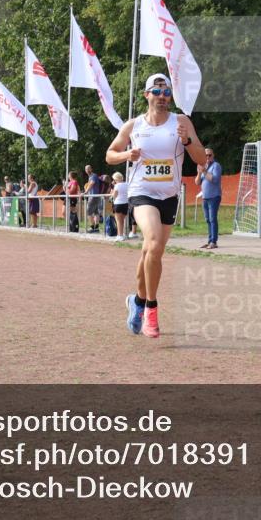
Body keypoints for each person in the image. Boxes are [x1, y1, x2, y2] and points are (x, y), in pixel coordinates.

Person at [106, 73, 207, 338]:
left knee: (153, 253)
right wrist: (127, 154)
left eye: (167, 93)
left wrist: (186, 140)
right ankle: (151, 308)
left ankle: (136, 301)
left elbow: (200, 158)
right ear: (146, 95)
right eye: (157, 92)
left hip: (169, 196)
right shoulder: (134, 126)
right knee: (151, 242)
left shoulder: (182, 122)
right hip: (142, 193)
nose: (163, 97)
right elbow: (110, 155)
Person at [195, 147, 223, 249]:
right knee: (207, 219)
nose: (207, 157)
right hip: (205, 197)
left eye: (209, 155)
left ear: (213, 155)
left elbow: (214, 179)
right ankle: (210, 240)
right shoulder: (204, 167)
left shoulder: (216, 166)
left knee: (212, 219)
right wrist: (199, 172)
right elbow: (197, 182)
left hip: (214, 196)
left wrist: (204, 172)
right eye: (205, 155)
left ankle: (213, 242)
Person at [84, 165, 104, 233]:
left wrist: (85, 192)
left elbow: (92, 184)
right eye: (86, 169)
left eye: (88, 168)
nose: (87, 170)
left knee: (88, 212)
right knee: (96, 212)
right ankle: (96, 228)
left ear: (91, 169)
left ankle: (92, 227)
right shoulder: (90, 177)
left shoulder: (93, 176)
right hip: (95, 196)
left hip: (93, 196)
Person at [111, 171, 129, 240]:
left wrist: (112, 191)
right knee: (122, 220)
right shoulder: (127, 184)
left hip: (118, 203)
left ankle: (120, 235)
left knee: (118, 221)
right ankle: (122, 234)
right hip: (125, 204)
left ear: (116, 179)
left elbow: (114, 195)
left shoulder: (117, 185)